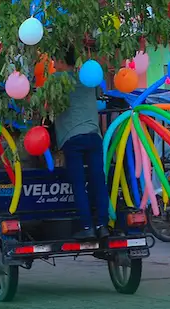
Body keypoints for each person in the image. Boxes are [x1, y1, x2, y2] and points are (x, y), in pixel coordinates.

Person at [54, 46, 110, 240]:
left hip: (72, 137)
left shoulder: (56, 80)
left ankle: (87, 226)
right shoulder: (87, 77)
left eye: (55, 60)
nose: (53, 64)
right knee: (98, 181)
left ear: (61, 61)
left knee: (79, 183)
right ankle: (102, 225)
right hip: (93, 135)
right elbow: (99, 95)